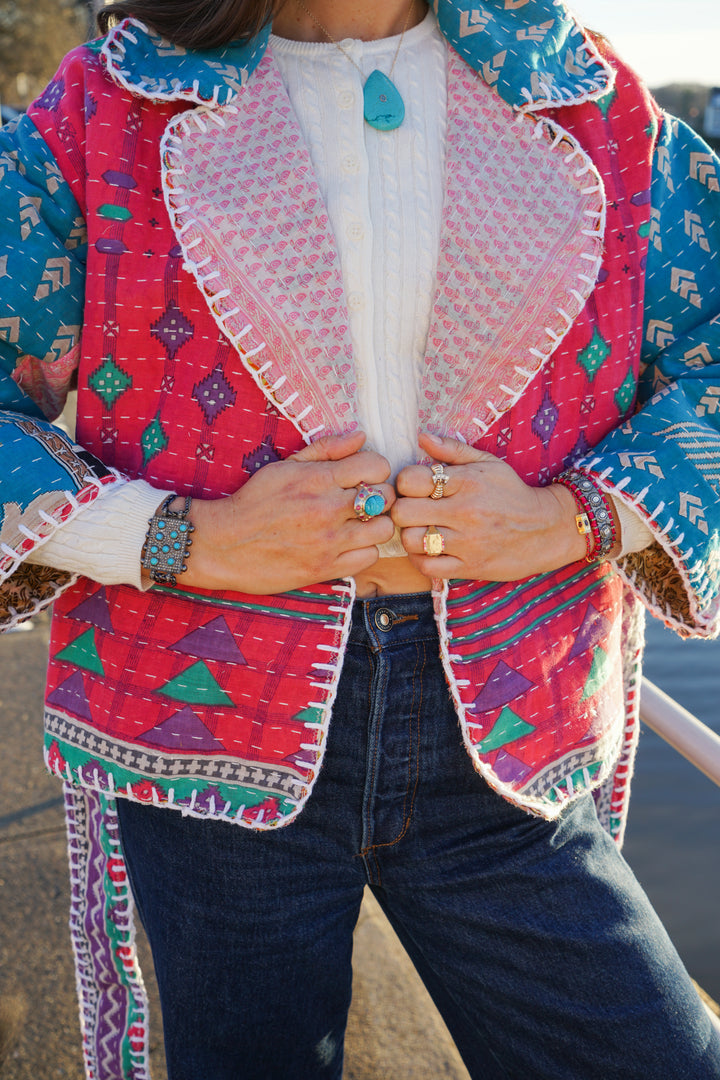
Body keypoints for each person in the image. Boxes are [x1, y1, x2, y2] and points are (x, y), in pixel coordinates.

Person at [1, 0, 719, 1076]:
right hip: (210, 738)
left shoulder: (592, 103)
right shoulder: (100, 110)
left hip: (511, 736)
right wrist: (179, 540)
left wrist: (574, 518)